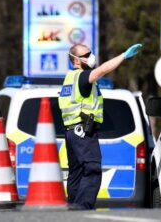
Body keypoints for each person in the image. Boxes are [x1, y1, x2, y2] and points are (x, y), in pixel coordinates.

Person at [58, 43, 142, 210]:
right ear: (76, 61)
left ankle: (72, 208)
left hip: (72, 132)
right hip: (83, 132)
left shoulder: (69, 79)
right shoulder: (82, 77)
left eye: (91, 53)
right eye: (86, 55)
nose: (91, 56)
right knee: (92, 168)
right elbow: (102, 70)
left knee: (77, 173)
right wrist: (123, 55)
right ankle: (82, 207)